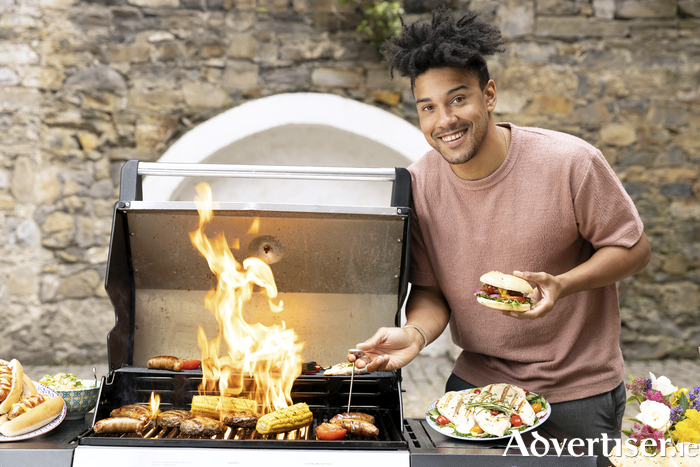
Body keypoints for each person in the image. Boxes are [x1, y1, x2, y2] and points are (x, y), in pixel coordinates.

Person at [349, 7, 651, 465]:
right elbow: (431, 291)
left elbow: (632, 247)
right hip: (474, 388)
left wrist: (563, 284)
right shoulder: (421, 184)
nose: (443, 120)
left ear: (488, 95)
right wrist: (414, 335)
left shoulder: (570, 162)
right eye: (427, 107)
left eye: (457, 99)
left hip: (576, 396)